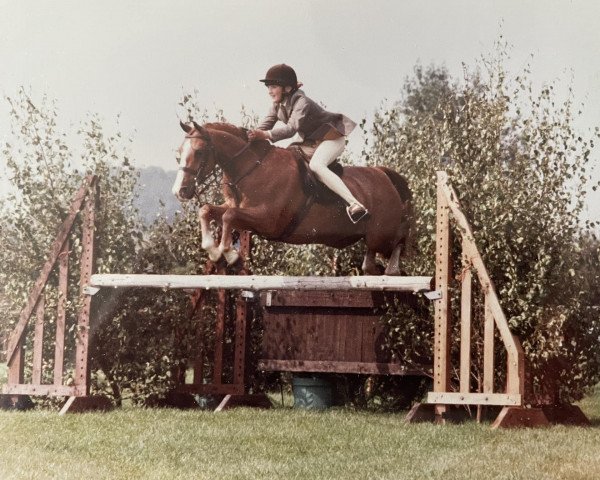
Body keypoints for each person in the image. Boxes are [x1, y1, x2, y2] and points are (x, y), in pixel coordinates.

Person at [248, 64, 369, 223]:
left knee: (316, 166)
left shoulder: (301, 102)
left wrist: (263, 135)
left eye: (274, 86)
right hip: (311, 141)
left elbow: (292, 129)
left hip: (331, 138)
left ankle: (354, 204)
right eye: (268, 87)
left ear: (287, 88)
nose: (269, 91)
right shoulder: (277, 106)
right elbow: (263, 127)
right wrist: (247, 136)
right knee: (288, 158)